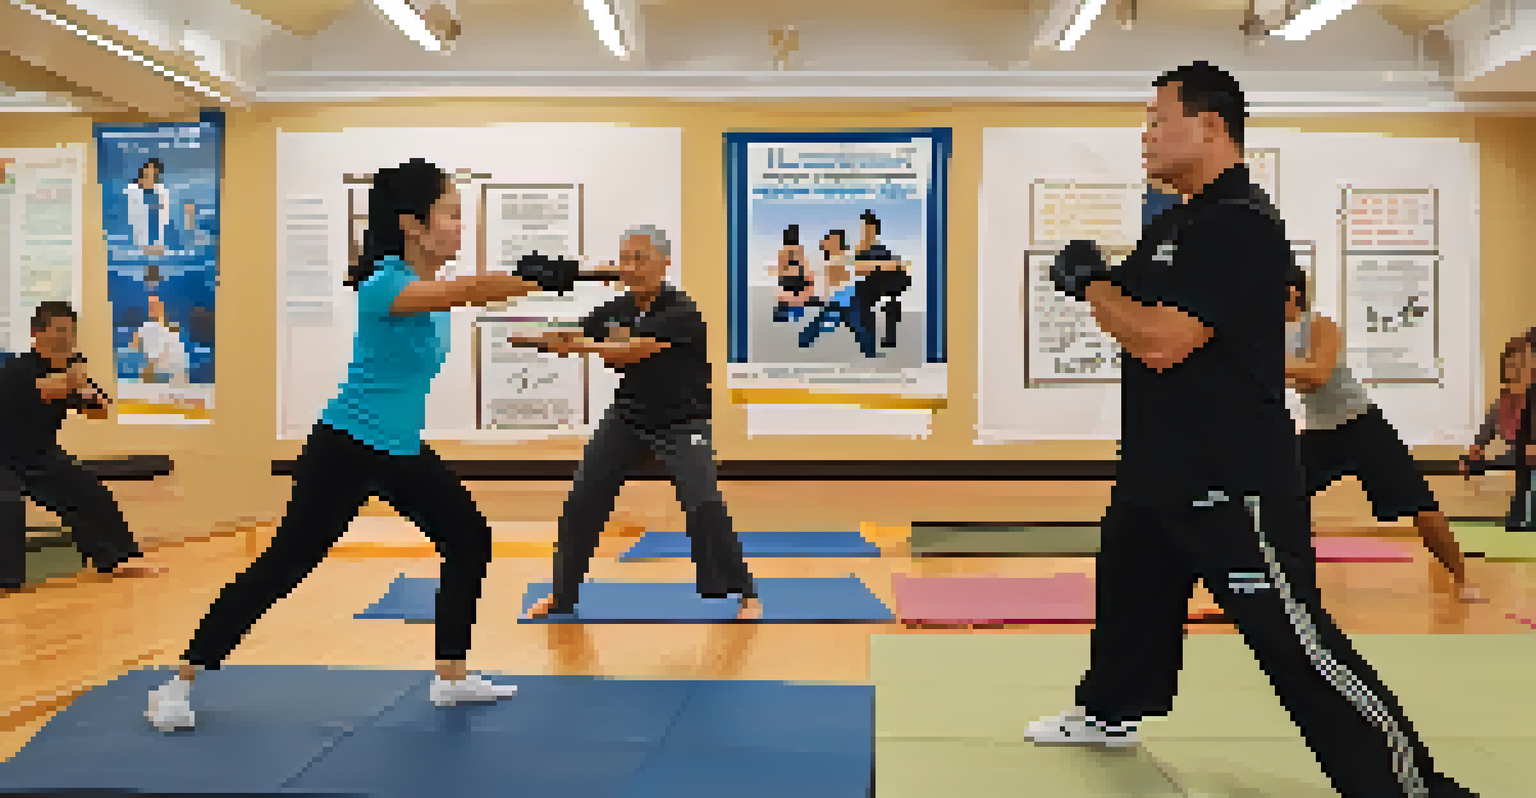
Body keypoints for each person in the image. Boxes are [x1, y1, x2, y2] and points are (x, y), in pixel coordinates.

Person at [1031, 62, 1476, 797]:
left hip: (1228, 476)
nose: (1143, 135)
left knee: (1294, 638)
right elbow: (1142, 312)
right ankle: (1109, 712)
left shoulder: (1240, 224)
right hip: (1158, 470)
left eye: (1155, 118)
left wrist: (1090, 283)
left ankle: (1412, 785)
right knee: (1130, 596)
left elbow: (1158, 339)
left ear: (1209, 126)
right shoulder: (1179, 222)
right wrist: (1107, 281)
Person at [145, 158, 576, 732]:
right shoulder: (385, 283)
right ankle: (178, 682)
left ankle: (451, 676)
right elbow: (470, 290)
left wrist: (564, 285)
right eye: (449, 212)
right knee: (287, 564)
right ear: (412, 223)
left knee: (469, 538)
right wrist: (540, 278)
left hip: (398, 448)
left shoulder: (420, 284)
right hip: (346, 445)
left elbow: (466, 291)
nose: (459, 224)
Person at [516, 225, 760, 621]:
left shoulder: (682, 312)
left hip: (684, 421)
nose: (630, 267)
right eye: (625, 258)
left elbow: (631, 351)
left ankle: (745, 592)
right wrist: (539, 337)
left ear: (664, 263)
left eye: (639, 258)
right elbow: (579, 331)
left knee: (703, 505)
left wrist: (575, 346)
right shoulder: (617, 309)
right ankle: (562, 596)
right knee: (582, 501)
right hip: (629, 417)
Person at [1283, 269, 1480, 602]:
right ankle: (1288, 584)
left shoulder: (1319, 325)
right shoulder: (1267, 334)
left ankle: (1462, 579)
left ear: (1291, 292)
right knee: (1282, 499)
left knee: (1421, 506)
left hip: (1362, 426)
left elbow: (1316, 374)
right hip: (1317, 433)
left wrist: (1260, 362)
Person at [0, 302, 167, 592]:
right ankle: (7, 581)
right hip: (2, 457)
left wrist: (86, 389)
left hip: (40, 454)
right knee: (7, 505)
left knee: (90, 493)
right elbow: (51, 388)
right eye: (59, 330)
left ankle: (117, 561)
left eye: (71, 331)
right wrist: (75, 378)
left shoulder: (69, 372)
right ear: (36, 333)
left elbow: (98, 410)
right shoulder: (17, 369)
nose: (66, 338)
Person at [851, 211, 911, 350]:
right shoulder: (862, 248)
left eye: (869, 228)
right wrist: (880, 266)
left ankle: (887, 336)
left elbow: (899, 265)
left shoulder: (878, 249)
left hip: (889, 280)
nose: (866, 232)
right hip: (874, 282)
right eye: (864, 228)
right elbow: (860, 269)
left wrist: (881, 266)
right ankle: (870, 336)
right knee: (862, 297)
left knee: (891, 301)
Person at [772, 224, 816, 323]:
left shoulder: (798, 256)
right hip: (790, 293)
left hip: (797, 292)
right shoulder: (785, 255)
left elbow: (807, 277)